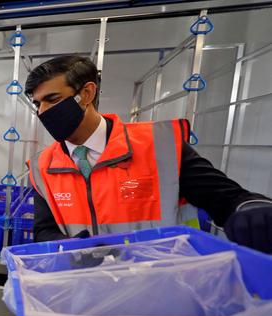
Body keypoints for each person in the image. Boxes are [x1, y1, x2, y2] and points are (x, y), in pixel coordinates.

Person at [26, 55, 272, 253]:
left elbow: (226, 199)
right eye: (38, 104)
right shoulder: (42, 165)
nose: (43, 112)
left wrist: (251, 209)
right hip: (84, 290)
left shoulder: (160, 147)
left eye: (52, 99)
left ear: (87, 94)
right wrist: (71, 249)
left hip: (160, 290)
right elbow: (44, 230)